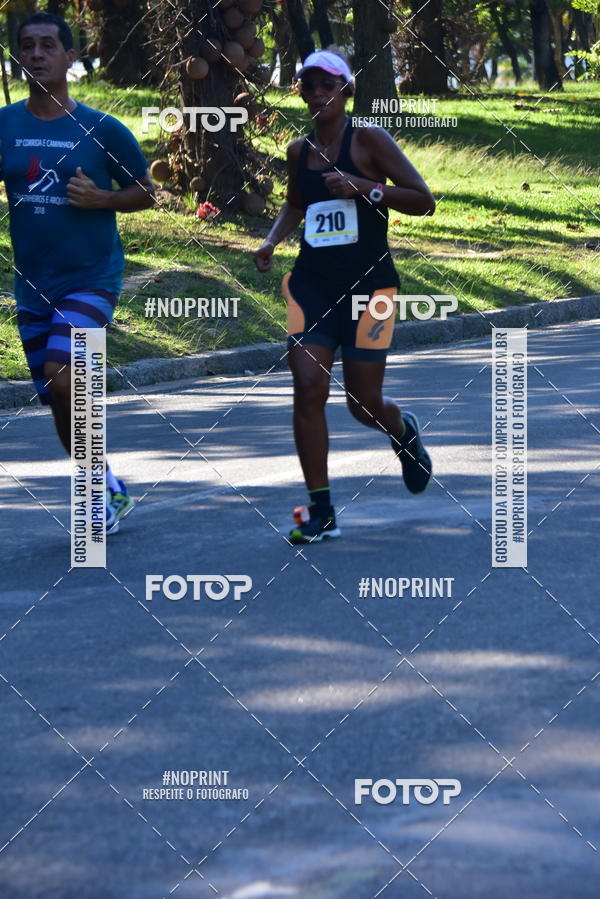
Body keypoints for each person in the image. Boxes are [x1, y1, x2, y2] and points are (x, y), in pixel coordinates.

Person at [253, 49, 436, 544]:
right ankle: (321, 510)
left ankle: (403, 431)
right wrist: (272, 240)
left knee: (363, 402)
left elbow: (423, 200)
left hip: (371, 287)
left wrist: (364, 188)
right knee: (308, 387)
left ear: (345, 89)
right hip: (312, 285)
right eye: (308, 85)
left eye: (326, 84)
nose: (317, 93)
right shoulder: (299, 151)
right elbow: (296, 203)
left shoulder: (370, 139)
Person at [0, 13, 155, 534]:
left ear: (70, 57)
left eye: (48, 45)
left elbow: (146, 191)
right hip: (33, 284)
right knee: (57, 395)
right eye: (27, 45)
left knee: (67, 382)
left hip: (91, 277)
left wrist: (102, 199)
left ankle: (94, 499)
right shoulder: (5, 125)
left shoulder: (103, 128)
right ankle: (105, 481)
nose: (37, 54)